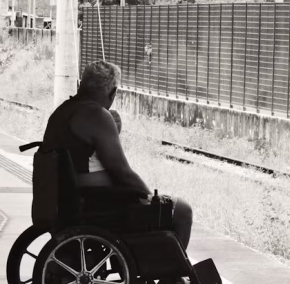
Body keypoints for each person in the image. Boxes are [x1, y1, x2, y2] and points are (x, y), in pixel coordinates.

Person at [40, 60, 192, 249]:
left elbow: (85, 155)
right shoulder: (98, 115)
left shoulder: (62, 111)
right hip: (95, 205)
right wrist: (150, 197)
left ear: (81, 85)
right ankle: (172, 274)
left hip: (64, 199)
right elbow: (122, 172)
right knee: (182, 210)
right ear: (113, 93)